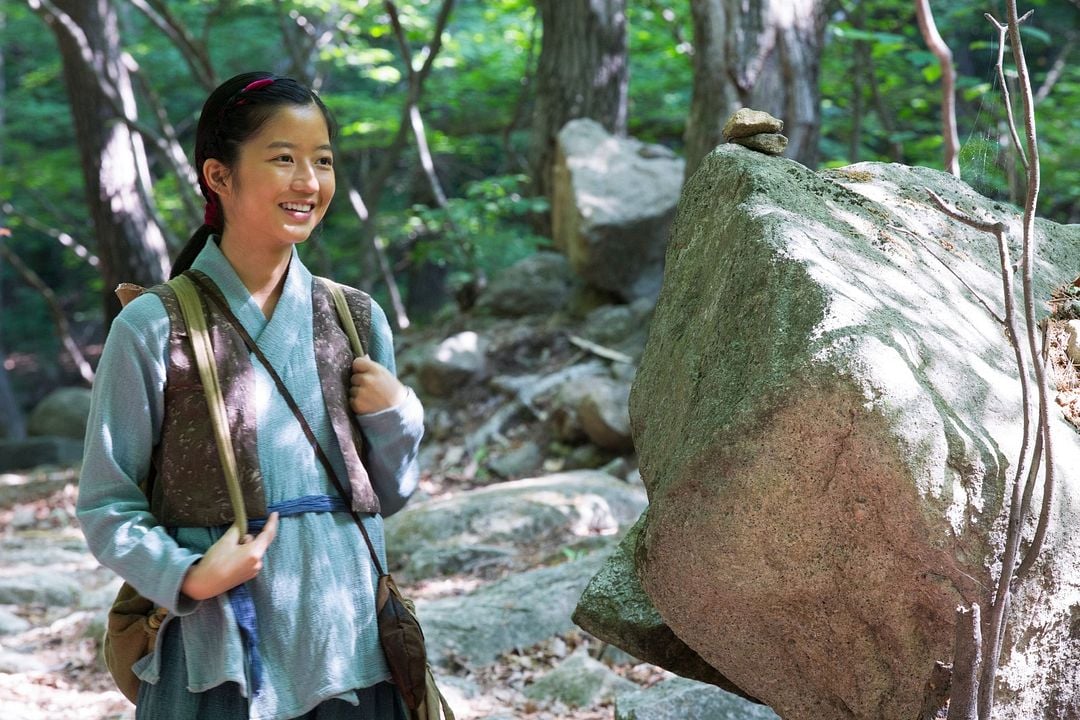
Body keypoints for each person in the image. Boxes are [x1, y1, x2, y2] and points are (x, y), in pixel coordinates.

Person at [77, 71, 424, 720]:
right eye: (283, 158)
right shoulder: (152, 326)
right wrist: (187, 575)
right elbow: (105, 502)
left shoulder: (355, 319)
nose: (309, 181)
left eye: (323, 160)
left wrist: (397, 417)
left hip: (351, 638)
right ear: (219, 175)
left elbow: (392, 493)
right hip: (220, 645)